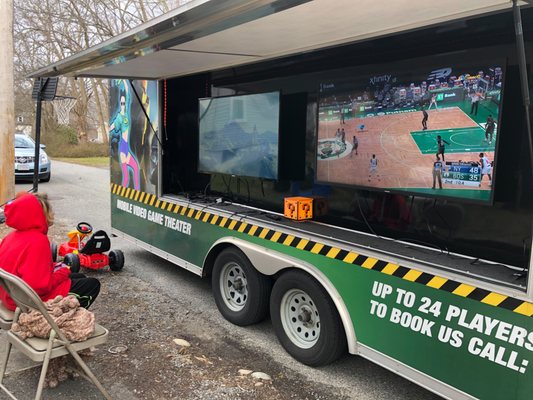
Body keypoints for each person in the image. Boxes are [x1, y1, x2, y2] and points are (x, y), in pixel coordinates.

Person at [0, 192, 100, 311]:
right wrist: (61, 272)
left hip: (12, 296)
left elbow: (29, 269)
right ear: (40, 214)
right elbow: (39, 286)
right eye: (49, 210)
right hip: (27, 303)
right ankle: (65, 320)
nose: (52, 214)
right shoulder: (38, 241)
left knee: (79, 276)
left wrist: (55, 267)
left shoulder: (12, 236)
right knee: (92, 285)